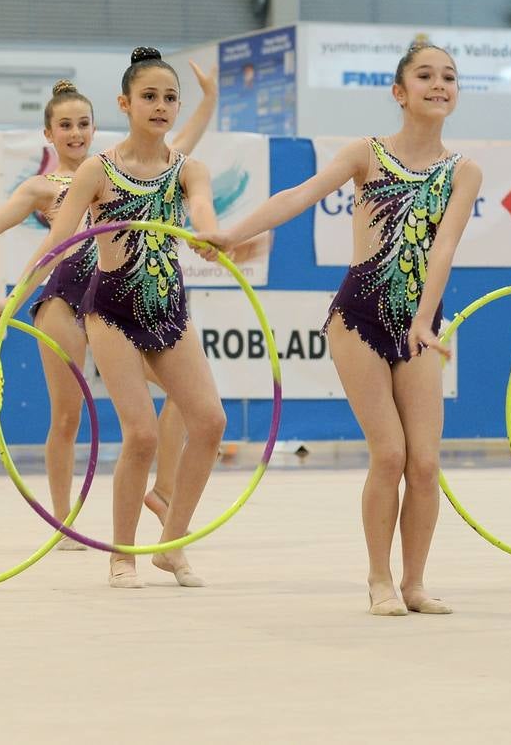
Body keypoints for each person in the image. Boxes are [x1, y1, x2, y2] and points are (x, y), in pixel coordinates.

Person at [202, 44, 482, 616]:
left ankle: (414, 583)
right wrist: (232, 234)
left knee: (425, 462)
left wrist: (427, 319)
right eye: (425, 75)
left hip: (420, 320)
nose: (439, 84)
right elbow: (297, 196)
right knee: (389, 454)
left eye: (449, 77)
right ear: (399, 92)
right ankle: (379, 578)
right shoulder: (366, 154)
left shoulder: (465, 171)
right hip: (359, 315)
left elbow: (445, 247)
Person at [0, 71, 217, 546]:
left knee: (184, 398)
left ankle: (165, 491)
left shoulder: (125, 170)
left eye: (83, 124)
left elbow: (182, 142)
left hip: (126, 303)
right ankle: (64, 521)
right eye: (65, 126)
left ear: (97, 124)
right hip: (66, 302)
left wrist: (208, 96)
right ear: (49, 134)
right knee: (68, 416)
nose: (75, 134)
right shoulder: (44, 188)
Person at [0, 47, 228, 590]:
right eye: (150, 97)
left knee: (209, 421)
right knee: (139, 434)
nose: (161, 106)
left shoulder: (189, 169)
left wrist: (211, 235)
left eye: (170, 98)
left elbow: (203, 213)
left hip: (168, 310)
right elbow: (58, 242)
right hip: (111, 310)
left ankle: (171, 542)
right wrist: (13, 303)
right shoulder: (98, 170)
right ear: (125, 103)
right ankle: (122, 553)